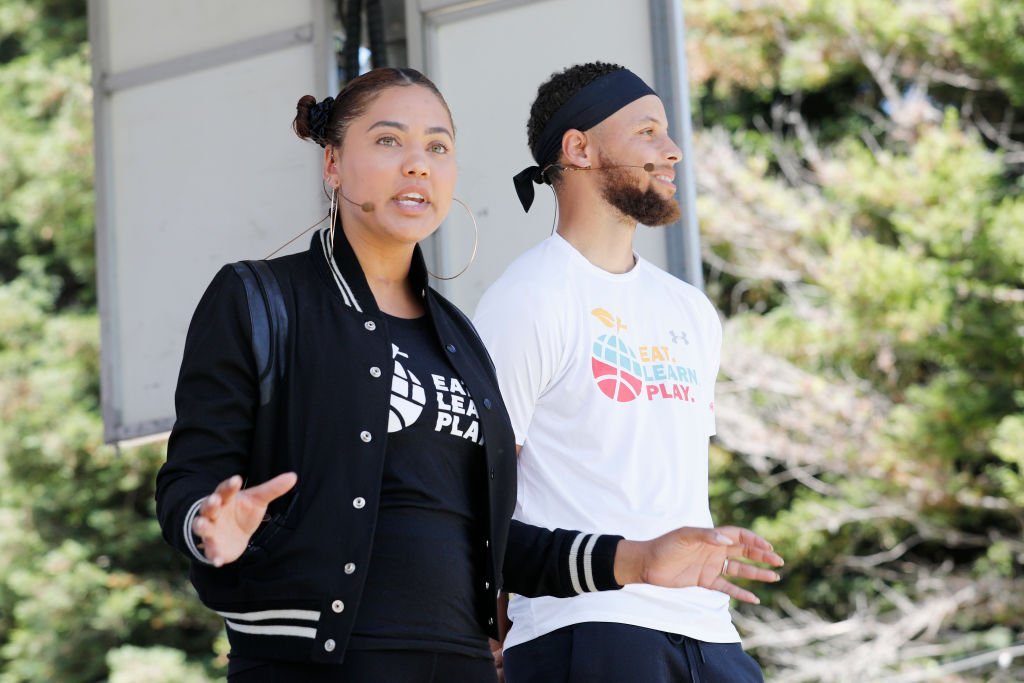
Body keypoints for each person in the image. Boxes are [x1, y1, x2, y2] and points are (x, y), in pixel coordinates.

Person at [155, 66, 782, 683]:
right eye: (387, 141)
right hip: (318, 663)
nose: (418, 164)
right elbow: (191, 475)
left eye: (438, 146)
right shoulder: (260, 298)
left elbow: (495, 540)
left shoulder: (459, 341)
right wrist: (213, 527)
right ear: (332, 164)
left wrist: (639, 559)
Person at [474, 62, 773, 682]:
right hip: (582, 629)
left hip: (710, 631)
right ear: (578, 148)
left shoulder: (690, 309)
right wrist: (493, 637)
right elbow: (483, 502)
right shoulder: (527, 297)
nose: (672, 152)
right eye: (647, 132)